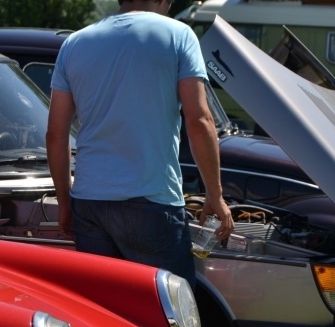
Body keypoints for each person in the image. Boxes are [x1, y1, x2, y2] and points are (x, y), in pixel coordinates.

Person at [46, 0, 234, 289]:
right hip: (152, 201)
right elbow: (199, 121)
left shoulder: (75, 43)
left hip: (91, 203)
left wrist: (64, 202)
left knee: (101, 314)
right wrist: (215, 195)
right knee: (169, 315)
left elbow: (56, 135)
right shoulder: (179, 35)